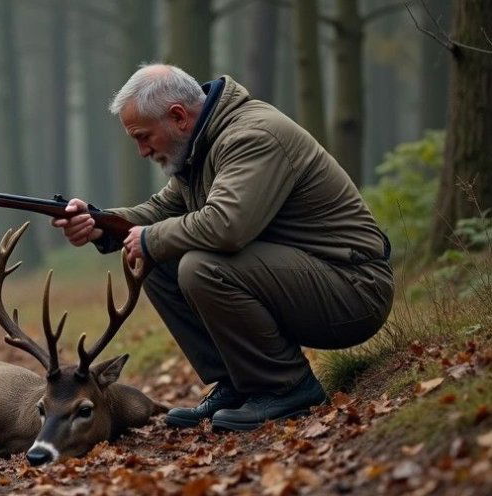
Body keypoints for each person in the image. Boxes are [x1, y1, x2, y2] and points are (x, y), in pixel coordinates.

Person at [52, 64, 394, 432]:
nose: (141, 151)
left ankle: (287, 387)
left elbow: (227, 226)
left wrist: (150, 237)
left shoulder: (252, 136)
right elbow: (160, 212)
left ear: (179, 117)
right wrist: (98, 222)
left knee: (200, 265)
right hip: (309, 281)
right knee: (152, 258)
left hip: (354, 291)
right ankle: (237, 383)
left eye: (143, 136)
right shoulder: (199, 145)